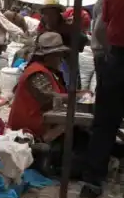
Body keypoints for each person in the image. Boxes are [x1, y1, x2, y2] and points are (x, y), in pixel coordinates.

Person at [81, 0, 124, 198]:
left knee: (104, 124)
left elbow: (105, 16)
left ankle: (92, 183)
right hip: (120, 54)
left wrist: (103, 55)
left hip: (119, 57)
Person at [8, 32, 88, 176]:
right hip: (30, 125)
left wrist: (78, 93)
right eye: (58, 55)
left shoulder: (48, 71)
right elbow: (50, 97)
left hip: (42, 118)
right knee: (73, 123)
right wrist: (76, 96)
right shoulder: (36, 73)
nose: (61, 58)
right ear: (48, 56)